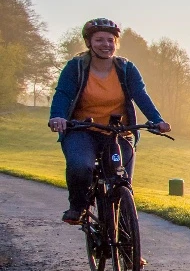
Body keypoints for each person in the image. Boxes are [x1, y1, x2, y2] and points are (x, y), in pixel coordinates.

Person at [48, 18, 171, 224]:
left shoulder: (126, 69)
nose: (106, 45)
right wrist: (58, 117)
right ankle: (79, 206)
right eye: (99, 40)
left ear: (116, 43)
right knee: (81, 167)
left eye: (110, 40)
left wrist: (156, 120)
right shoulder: (76, 67)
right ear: (88, 43)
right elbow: (63, 94)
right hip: (83, 130)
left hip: (118, 132)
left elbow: (140, 95)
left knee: (122, 183)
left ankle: (129, 251)